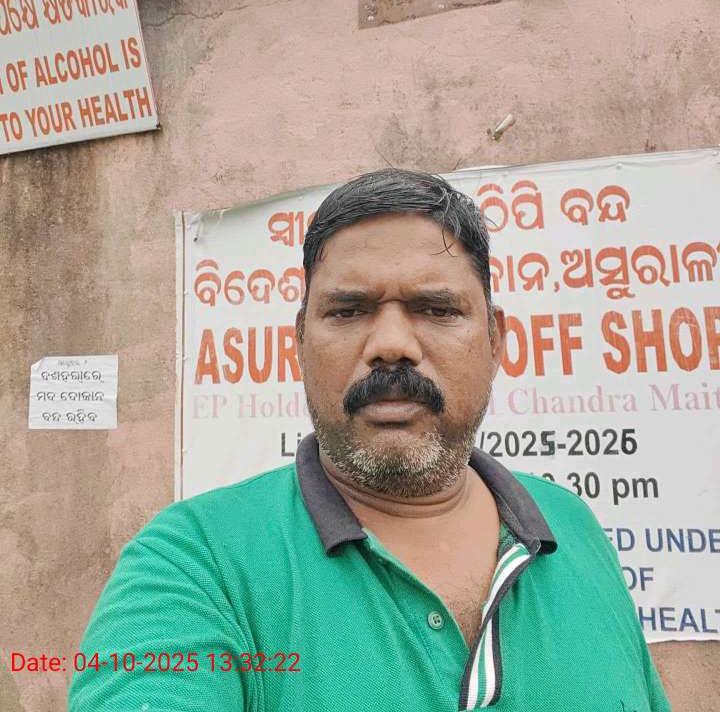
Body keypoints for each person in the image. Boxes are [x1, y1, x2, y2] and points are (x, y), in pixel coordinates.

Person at [68, 168, 671, 711]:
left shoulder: (571, 526)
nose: (391, 345)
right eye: (349, 311)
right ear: (299, 342)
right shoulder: (195, 562)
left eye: (436, 308)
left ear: (495, 340)